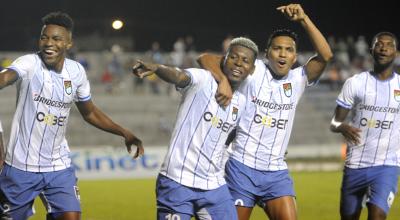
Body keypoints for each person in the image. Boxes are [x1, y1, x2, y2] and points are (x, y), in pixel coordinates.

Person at [0, 12, 144, 220]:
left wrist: (124, 132)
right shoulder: (29, 63)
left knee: (71, 216)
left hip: (59, 167)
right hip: (21, 167)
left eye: (56, 38)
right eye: (44, 37)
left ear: (68, 43)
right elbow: (6, 77)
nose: (49, 43)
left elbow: (90, 112)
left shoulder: (76, 72)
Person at [197, 4, 333, 220]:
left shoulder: (298, 79)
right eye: (277, 48)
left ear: (295, 56)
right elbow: (205, 58)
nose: (283, 54)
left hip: (276, 172)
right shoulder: (253, 69)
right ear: (267, 52)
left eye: (289, 50)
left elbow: (325, 55)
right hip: (241, 167)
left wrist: (304, 18)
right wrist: (223, 80)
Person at [132, 37, 258, 220]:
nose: (238, 63)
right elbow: (179, 75)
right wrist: (158, 68)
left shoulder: (243, 102)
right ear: (224, 58)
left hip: (214, 186)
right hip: (177, 181)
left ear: (252, 69)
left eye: (245, 61)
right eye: (234, 57)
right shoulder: (203, 79)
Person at [330, 32, 399, 220]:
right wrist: (342, 127)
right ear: (371, 50)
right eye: (379, 44)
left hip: (387, 166)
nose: (384, 48)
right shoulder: (355, 83)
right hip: (356, 165)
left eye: (389, 45)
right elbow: (334, 122)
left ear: (396, 52)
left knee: (377, 216)